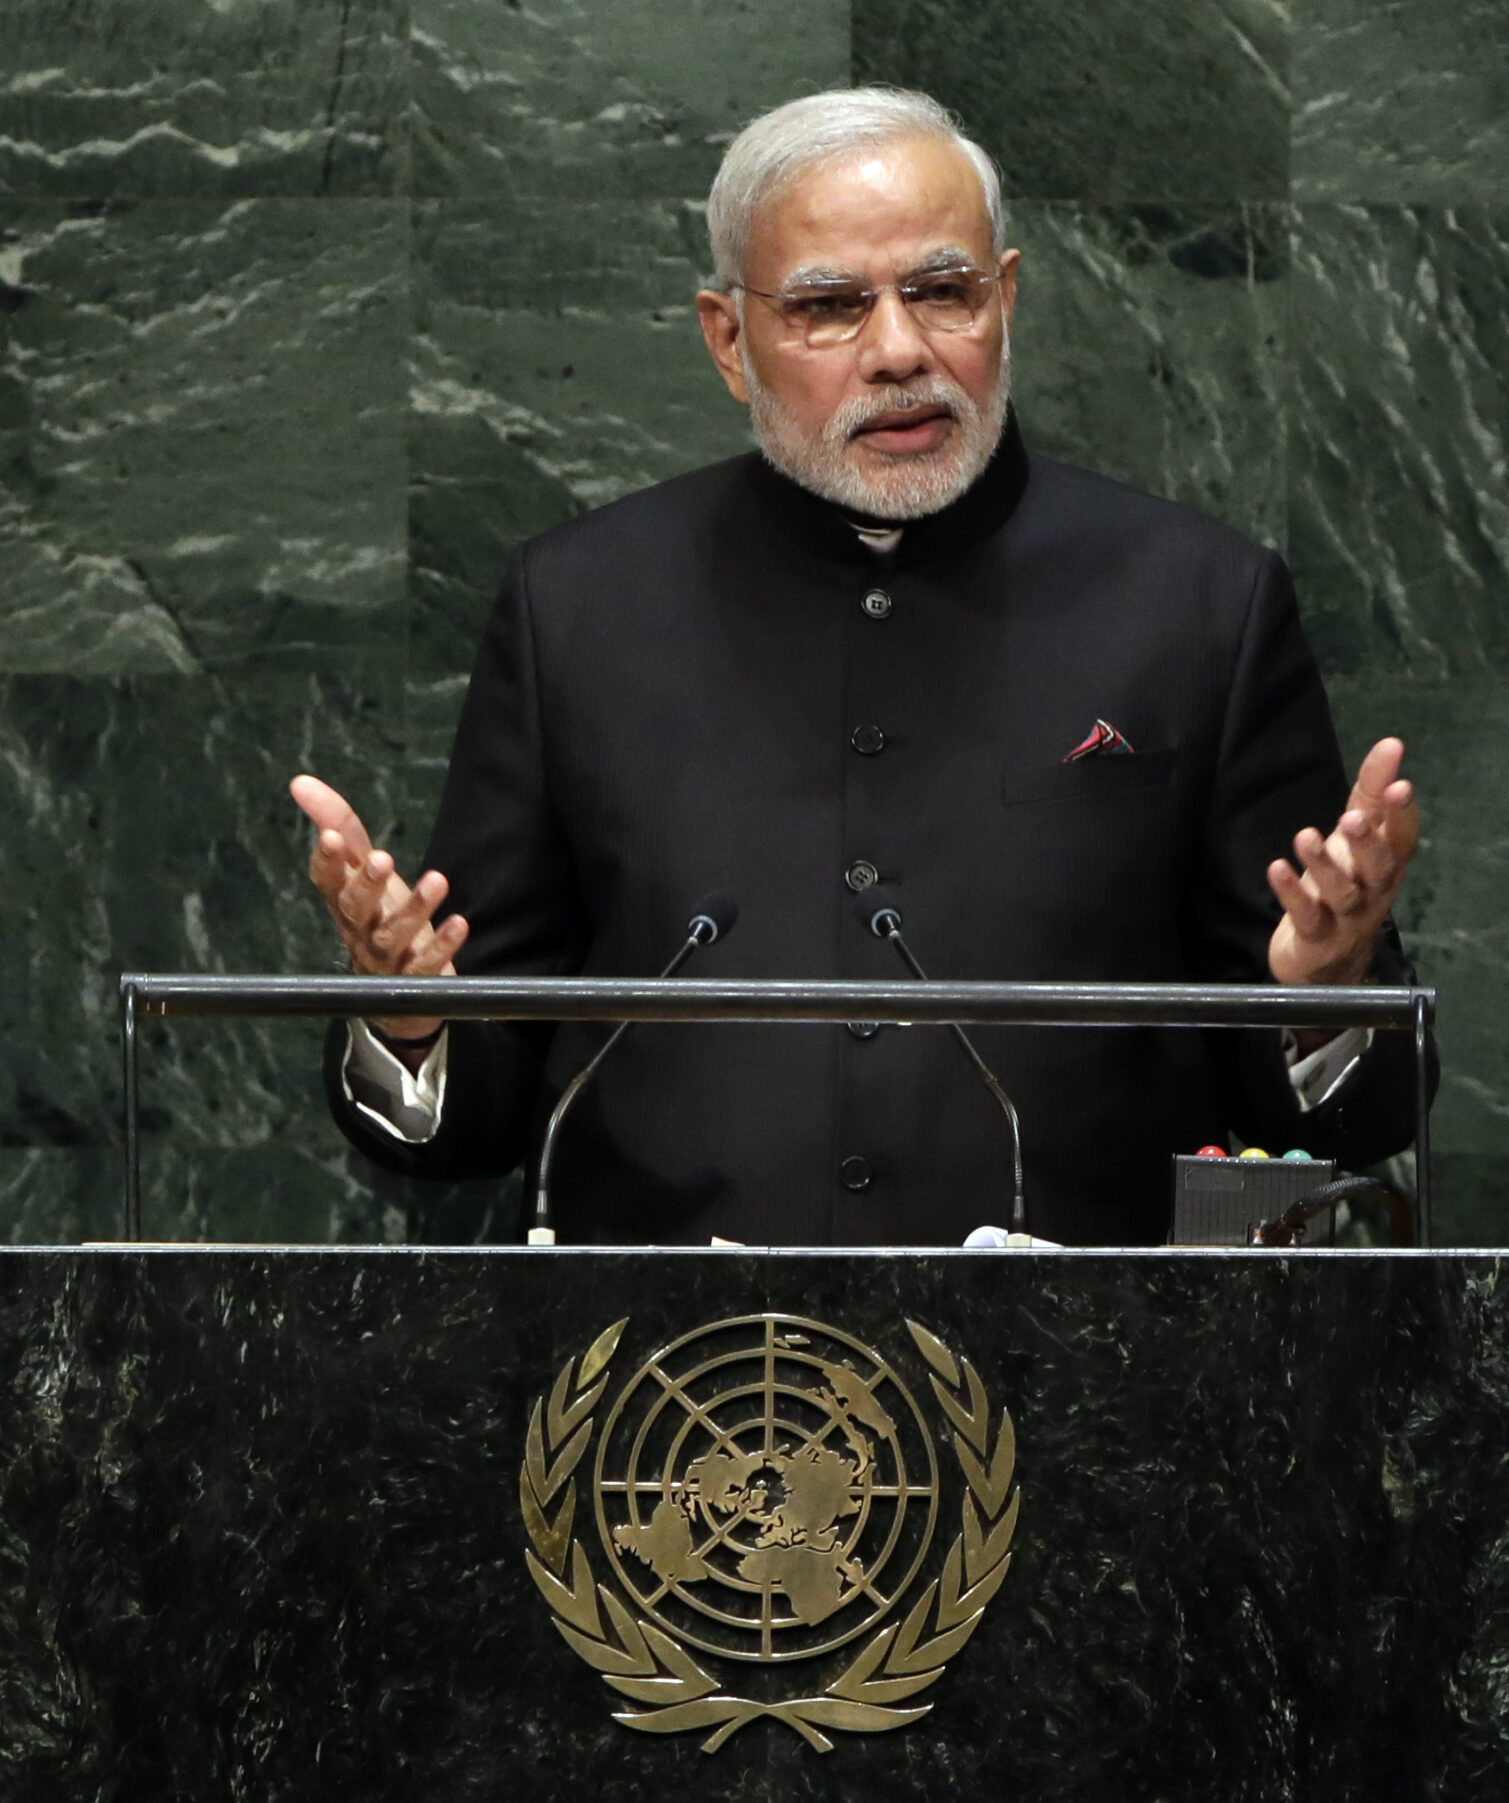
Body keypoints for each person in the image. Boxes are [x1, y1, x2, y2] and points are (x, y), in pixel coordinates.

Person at [291, 88, 1429, 1246]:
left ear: (1008, 298)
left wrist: (1326, 999)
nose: (900, 352)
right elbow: (474, 1120)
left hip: (1090, 1379)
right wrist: (414, 1027)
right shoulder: (577, 606)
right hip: (672, 1386)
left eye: (943, 292)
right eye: (830, 307)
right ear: (728, 341)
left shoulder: (1199, 603)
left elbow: (1342, 1132)